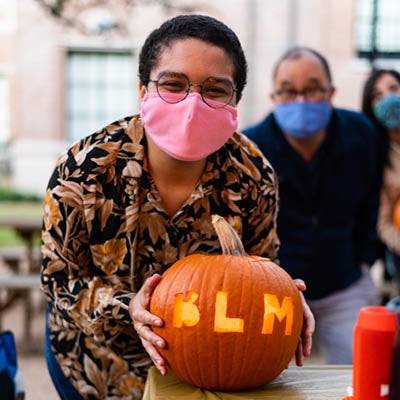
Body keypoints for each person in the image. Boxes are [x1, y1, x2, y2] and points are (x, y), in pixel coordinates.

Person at [40, 15, 314, 400]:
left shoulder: (253, 176)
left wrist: (285, 299)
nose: (192, 103)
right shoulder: (83, 170)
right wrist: (125, 307)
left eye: (216, 90)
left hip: (205, 374)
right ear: (142, 89)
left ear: (236, 100)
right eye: (173, 84)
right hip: (96, 368)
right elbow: (59, 282)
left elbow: (260, 265)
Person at [243, 46, 381, 365]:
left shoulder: (361, 134)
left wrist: (365, 258)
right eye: (289, 91)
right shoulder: (251, 148)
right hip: (273, 292)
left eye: (313, 89)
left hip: (343, 284)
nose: (301, 100)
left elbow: (371, 201)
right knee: (270, 381)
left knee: (362, 374)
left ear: (331, 92)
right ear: (274, 96)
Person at [362, 68, 400, 294]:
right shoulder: (376, 155)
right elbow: (383, 221)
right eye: (378, 96)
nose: (387, 98)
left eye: (393, 88)